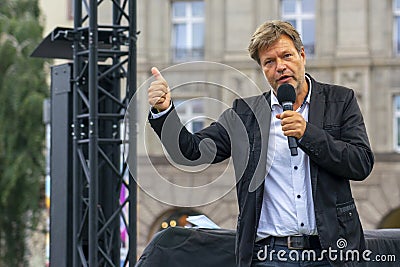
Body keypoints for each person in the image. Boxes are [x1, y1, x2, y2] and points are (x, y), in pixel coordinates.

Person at [147, 20, 374, 267]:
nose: (280, 67)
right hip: (269, 256)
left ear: (302, 55)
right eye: (269, 62)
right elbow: (191, 152)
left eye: (286, 56)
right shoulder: (245, 114)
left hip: (330, 253)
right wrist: (165, 110)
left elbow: (361, 163)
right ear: (262, 70)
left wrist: (307, 134)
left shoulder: (340, 100)